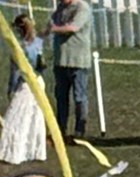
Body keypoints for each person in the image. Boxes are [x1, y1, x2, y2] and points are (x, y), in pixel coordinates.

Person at [0, 14, 48, 165]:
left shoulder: (19, 48)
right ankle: (36, 150)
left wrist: (11, 89)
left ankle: (14, 153)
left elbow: (15, 72)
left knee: (15, 118)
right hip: (38, 81)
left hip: (26, 84)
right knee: (35, 117)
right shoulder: (38, 43)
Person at [50, 0, 93, 142]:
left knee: (79, 97)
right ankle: (60, 130)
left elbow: (73, 28)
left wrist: (54, 29)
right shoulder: (61, 7)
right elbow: (51, 21)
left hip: (78, 61)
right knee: (61, 97)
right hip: (61, 61)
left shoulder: (82, 8)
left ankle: (80, 131)